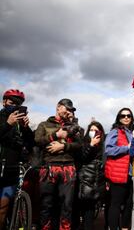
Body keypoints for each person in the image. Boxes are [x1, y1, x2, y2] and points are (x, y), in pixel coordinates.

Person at [35, 98, 82, 229]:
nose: (68, 112)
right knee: (46, 204)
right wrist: (56, 135)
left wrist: (63, 147)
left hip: (68, 168)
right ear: (58, 107)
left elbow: (79, 145)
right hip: (48, 168)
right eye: (66, 109)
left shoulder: (72, 127)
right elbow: (37, 141)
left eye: (71, 110)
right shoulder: (44, 124)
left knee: (67, 205)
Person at [0, 89, 34, 229]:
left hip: (11, 170)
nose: (14, 105)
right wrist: (8, 124)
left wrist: (26, 128)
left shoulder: (20, 123)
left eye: (18, 104)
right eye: (11, 102)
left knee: (3, 209)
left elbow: (31, 144)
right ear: (4, 102)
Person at [104, 108, 134, 230]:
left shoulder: (133, 132)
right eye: (123, 116)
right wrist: (126, 148)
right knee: (115, 204)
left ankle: (125, 228)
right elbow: (108, 150)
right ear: (119, 118)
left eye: (129, 116)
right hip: (118, 173)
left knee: (129, 204)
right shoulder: (115, 132)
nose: (126, 118)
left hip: (132, 173)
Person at [76, 121, 105, 230]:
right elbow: (83, 158)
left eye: (96, 130)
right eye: (91, 130)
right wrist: (91, 145)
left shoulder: (103, 145)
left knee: (90, 209)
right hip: (85, 180)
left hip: (97, 181)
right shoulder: (84, 143)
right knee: (81, 207)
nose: (93, 132)